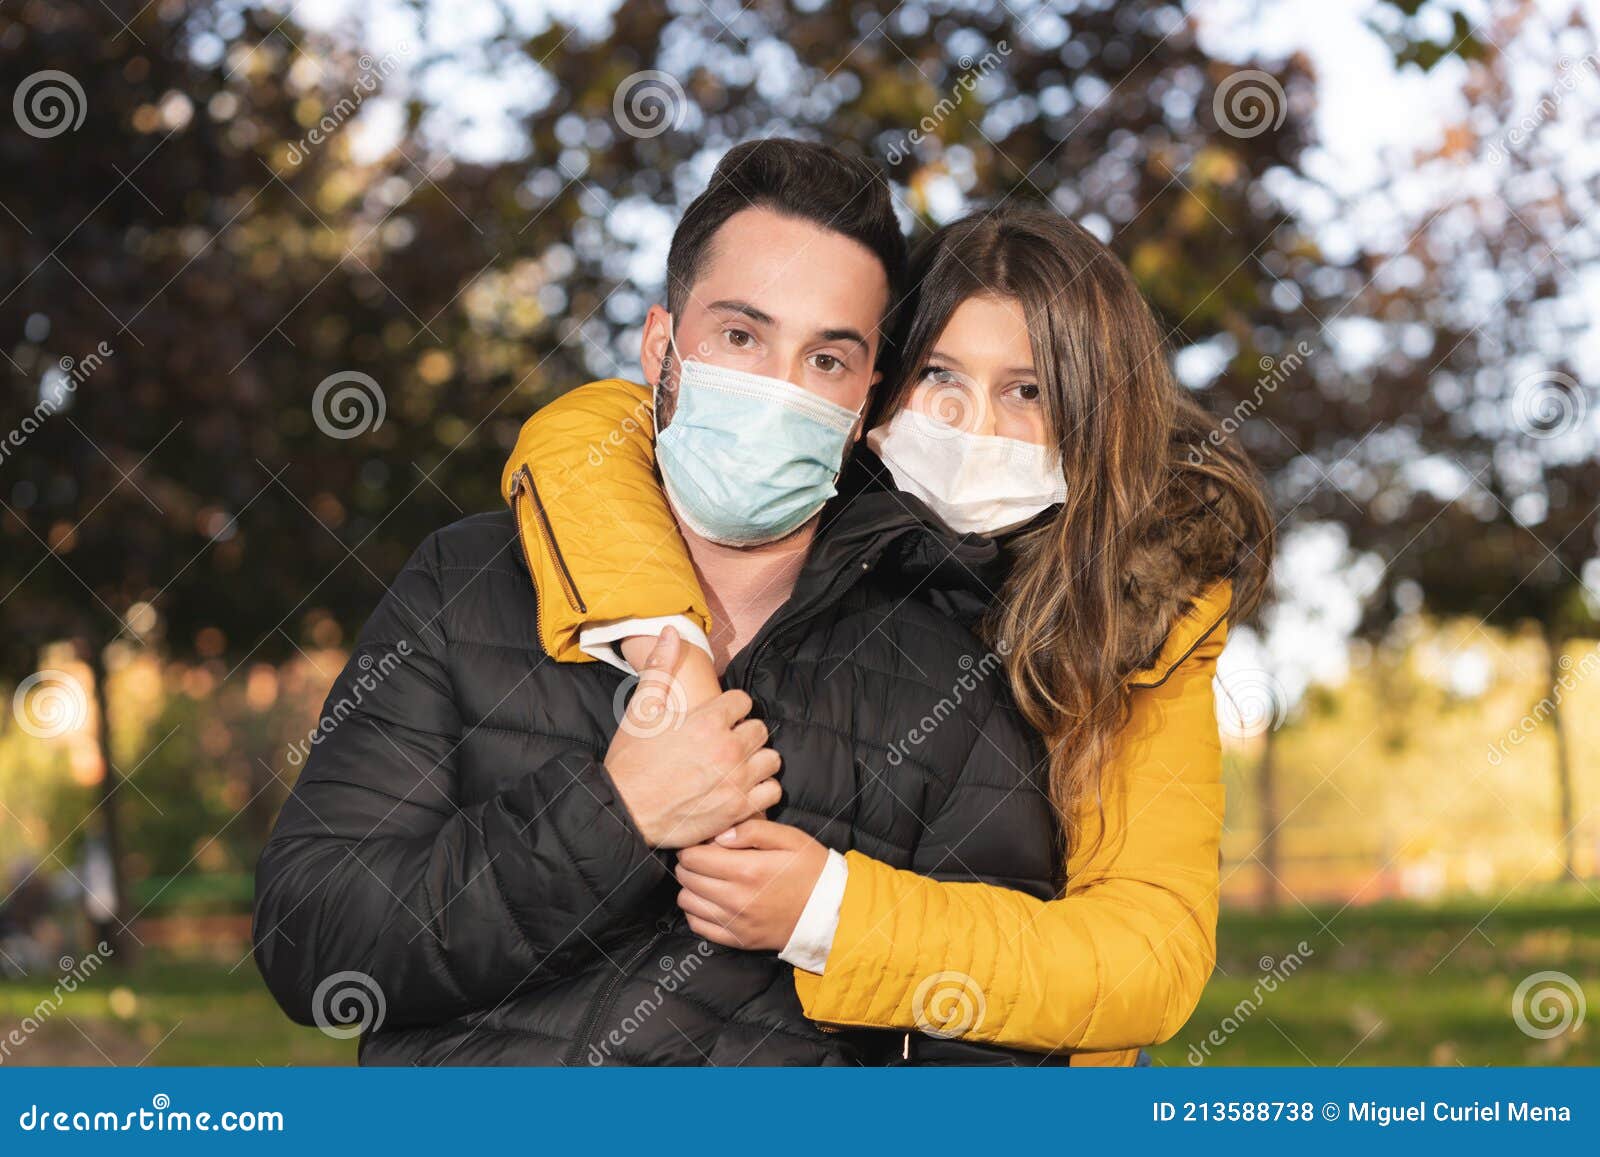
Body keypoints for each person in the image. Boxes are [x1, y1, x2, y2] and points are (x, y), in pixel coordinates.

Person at [253, 138, 1065, 1065]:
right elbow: (311, 943)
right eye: (741, 335)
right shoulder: (471, 579)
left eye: (827, 360)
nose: (778, 392)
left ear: (869, 392)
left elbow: (995, 1050)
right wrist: (613, 815)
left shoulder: (949, 671)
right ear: (660, 345)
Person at [498, 202, 1273, 1064]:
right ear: (884, 389)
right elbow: (589, 430)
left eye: (1028, 391)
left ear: (1097, 414)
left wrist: (834, 913)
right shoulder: (812, 493)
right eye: (941, 375)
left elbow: (1148, 956)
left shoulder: (1146, 607)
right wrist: (666, 649)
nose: (972, 427)